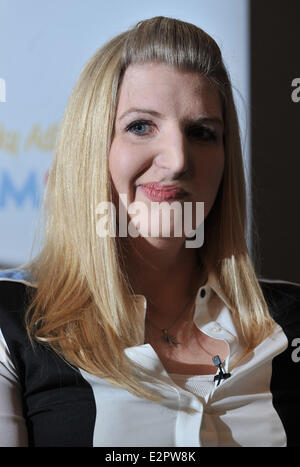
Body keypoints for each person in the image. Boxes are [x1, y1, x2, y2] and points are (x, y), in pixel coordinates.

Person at [0, 15, 299, 448]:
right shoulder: (13, 326)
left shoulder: (290, 321)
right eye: (140, 126)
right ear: (91, 148)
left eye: (202, 132)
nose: (177, 159)